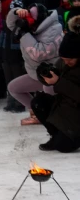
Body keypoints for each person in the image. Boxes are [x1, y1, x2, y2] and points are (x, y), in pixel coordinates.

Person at [6, 4, 63, 125]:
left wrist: (24, 34)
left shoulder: (53, 30)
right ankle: (37, 113)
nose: (26, 22)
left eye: (29, 19)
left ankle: (56, 117)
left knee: (48, 89)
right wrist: (16, 12)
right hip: (36, 73)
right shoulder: (31, 26)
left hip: (53, 75)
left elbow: (39, 53)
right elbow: (11, 24)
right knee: (14, 88)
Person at [32, 15, 80, 153]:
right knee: (38, 101)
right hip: (64, 107)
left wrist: (58, 82)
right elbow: (54, 75)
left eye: (70, 60)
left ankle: (68, 137)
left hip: (76, 110)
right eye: (64, 59)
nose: (66, 62)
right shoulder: (63, 61)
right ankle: (56, 135)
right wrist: (43, 75)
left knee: (63, 147)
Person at [0, 0, 27, 113]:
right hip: (6, 57)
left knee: (18, 81)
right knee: (8, 80)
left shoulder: (23, 26)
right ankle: (11, 102)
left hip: (16, 58)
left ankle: (20, 103)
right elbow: (0, 41)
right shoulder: (5, 25)